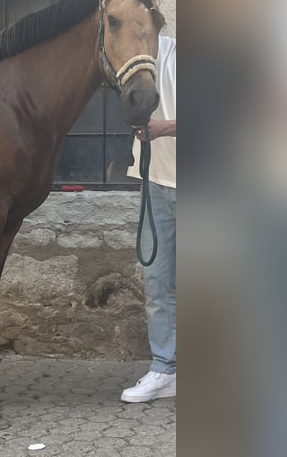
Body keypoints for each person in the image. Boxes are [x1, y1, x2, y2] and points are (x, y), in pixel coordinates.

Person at [121, 34, 176, 403]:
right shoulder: (146, 53)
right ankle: (164, 369)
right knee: (157, 284)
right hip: (155, 181)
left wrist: (163, 128)